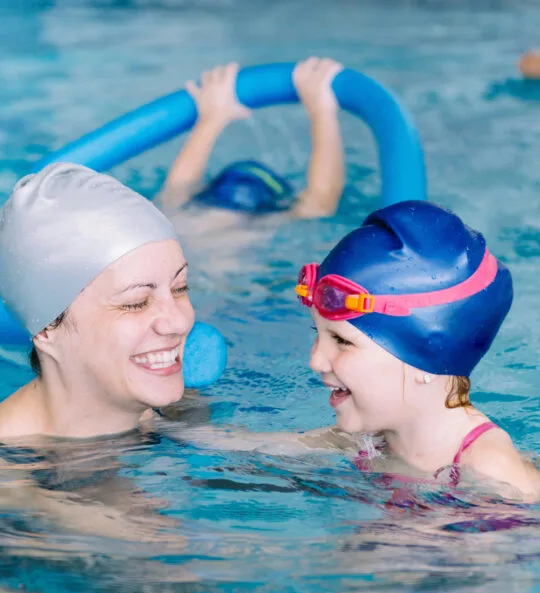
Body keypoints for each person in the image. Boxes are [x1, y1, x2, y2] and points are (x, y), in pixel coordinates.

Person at [165, 200, 539, 500]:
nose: (315, 359)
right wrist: (157, 419)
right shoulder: (367, 441)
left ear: (430, 352)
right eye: (319, 333)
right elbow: (251, 445)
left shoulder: (489, 469)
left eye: (342, 341)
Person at [0, 162, 195, 440]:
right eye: (136, 303)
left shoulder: (176, 411)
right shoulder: (10, 470)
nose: (179, 321)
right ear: (46, 327)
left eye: (180, 288)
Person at [156, 58, 345, 250]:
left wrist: (211, 119)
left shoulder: (179, 227)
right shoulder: (261, 231)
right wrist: (321, 111)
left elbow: (176, 189)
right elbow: (321, 200)